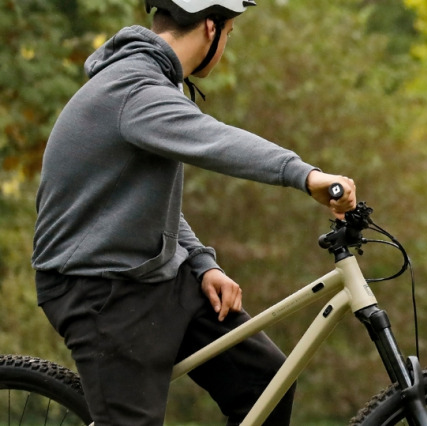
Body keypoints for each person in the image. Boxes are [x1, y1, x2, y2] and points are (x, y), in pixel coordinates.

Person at [31, 1, 357, 424]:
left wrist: (201, 263)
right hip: (96, 288)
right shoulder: (135, 89)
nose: (226, 44)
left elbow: (147, 203)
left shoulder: (154, 86)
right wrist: (304, 175)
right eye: (230, 33)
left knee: (266, 384)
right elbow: (215, 141)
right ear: (210, 27)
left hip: (151, 275)